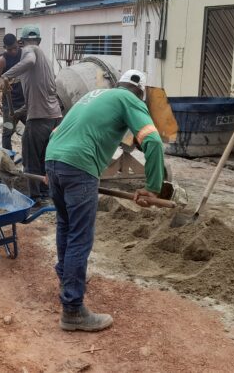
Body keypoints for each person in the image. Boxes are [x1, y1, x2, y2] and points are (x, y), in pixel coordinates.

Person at [44, 70, 164, 332]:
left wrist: (52, 171)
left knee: (65, 226)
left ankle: (67, 280)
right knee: (80, 237)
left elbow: (56, 132)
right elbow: (153, 141)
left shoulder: (93, 96)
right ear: (140, 95)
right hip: (80, 166)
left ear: (118, 83)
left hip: (54, 159)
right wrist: (153, 187)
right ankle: (73, 310)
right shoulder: (128, 99)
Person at [0, 25, 62, 200]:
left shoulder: (30, 51)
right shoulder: (46, 61)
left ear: (21, 43)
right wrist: (17, 113)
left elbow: (29, 61)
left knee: (30, 159)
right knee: (44, 158)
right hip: (55, 117)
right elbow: (38, 97)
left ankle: (34, 198)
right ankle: (45, 192)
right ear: (40, 40)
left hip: (40, 119)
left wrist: (7, 76)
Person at [0, 33, 26, 150]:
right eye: (10, 49)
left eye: (15, 48)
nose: (14, 51)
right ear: (5, 48)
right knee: (7, 132)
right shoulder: (2, 61)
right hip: (9, 107)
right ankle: (8, 161)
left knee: (33, 130)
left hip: (26, 104)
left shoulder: (25, 55)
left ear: (18, 43)